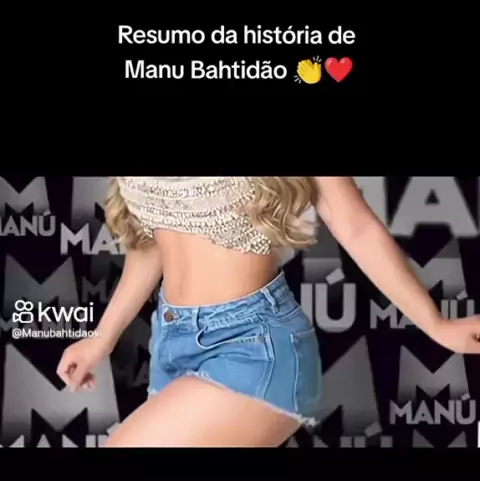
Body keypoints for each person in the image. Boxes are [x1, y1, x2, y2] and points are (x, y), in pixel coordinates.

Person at [56, 177, 480, 448]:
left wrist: (437, 325)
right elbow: (152, 242)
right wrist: (101, 338)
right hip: (172, 343)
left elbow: (355, 225)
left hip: (253, 345)